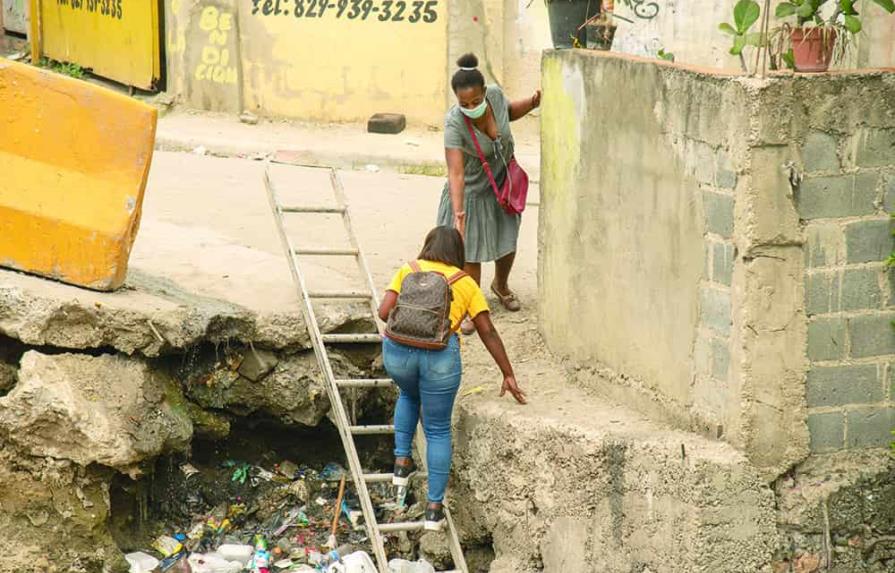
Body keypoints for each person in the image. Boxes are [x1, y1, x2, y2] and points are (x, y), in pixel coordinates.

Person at [378, 226, 526, 531]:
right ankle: (434, 509)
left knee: (407, 395)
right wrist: (508, 373)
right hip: (439, 360)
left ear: (427, 244)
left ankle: (401, 462)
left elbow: (383, 312)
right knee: (436, 428)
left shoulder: (409, 269)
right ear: (458, 253)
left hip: (398, 355)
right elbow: (487, 330)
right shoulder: (466, 283)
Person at [437, 53, 541, 334]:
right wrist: (459, 214)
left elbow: (508, 113)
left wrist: (532, 103)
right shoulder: (455, 123)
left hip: (502, 184)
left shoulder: (494, 97)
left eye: (474, 101)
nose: (470, 107)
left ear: (484, 92)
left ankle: (501, 285)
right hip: (470, 191)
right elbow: (455, 172)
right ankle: (472, 306)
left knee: (507, 240)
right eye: (464, 104)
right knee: (471, 253)